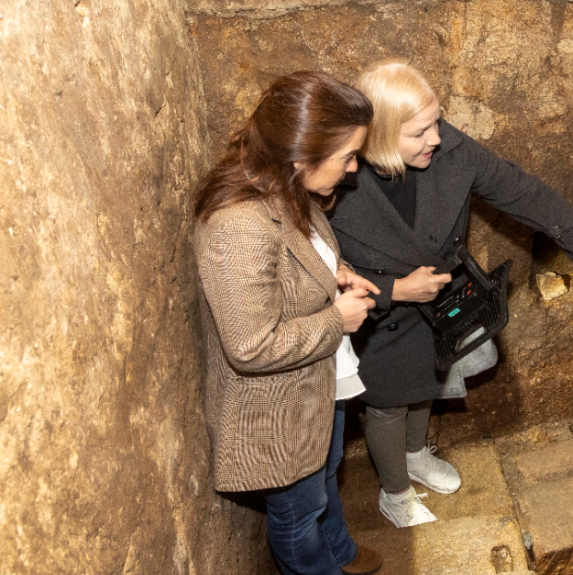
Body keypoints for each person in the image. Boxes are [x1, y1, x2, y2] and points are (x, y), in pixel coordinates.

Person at [327, 60, 573, 528]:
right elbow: (314, 264)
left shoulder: (448, 150)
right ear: (380, 134)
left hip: (437, 301)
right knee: (387, 404)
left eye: (437, 122)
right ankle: (394, 492)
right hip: (375, 313)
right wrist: (395, 289)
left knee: (427, 381)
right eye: (421, 131)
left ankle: (416, 454)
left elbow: (521, 192)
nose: (437, 138)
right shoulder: (337, 175)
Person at [193, 71, 384, 575]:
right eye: (346, 156)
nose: (353, 167)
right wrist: (336, 318)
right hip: (276, 408)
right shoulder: (237, 224)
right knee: (300, 513)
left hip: (318, 381)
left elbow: (294, 257)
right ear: (302, 155)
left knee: (326, 476)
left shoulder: (287, 185)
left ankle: (340, 551)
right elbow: (251, 346)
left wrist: (333, 274)